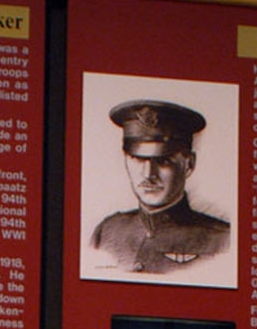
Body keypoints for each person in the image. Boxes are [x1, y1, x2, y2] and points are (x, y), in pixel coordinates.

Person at [91, 100, 230, 274]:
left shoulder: (222, 240)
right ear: (126, 159)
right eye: (138, 159)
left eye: (163, 161)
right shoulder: (107, 231)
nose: (149, 174)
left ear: (189, 164)